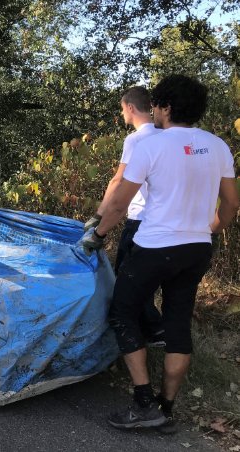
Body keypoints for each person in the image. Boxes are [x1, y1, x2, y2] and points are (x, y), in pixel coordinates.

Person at [81, 75, 239, 431]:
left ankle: (143, 402)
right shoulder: (218, 146)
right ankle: (166, 410)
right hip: (197, 249)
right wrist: (209, 231)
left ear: (166, 107)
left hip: (155, 246)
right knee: (177, 325)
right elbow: (232, 203)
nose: (153, 111)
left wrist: (100, 233)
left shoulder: (150, 146)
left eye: (156, 105)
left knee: (122, 312)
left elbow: (120, 200)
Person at [83, 86, 164, 346]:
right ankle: (153, 329)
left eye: (122, 109)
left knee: (126, 278)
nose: (122, 114)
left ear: (130, 107)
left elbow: (119, 181)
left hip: (139, 218)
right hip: (163, 220)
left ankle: (146, 332)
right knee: (146, 278)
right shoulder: (166, 134)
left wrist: (99, 216)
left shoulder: (136, 140)